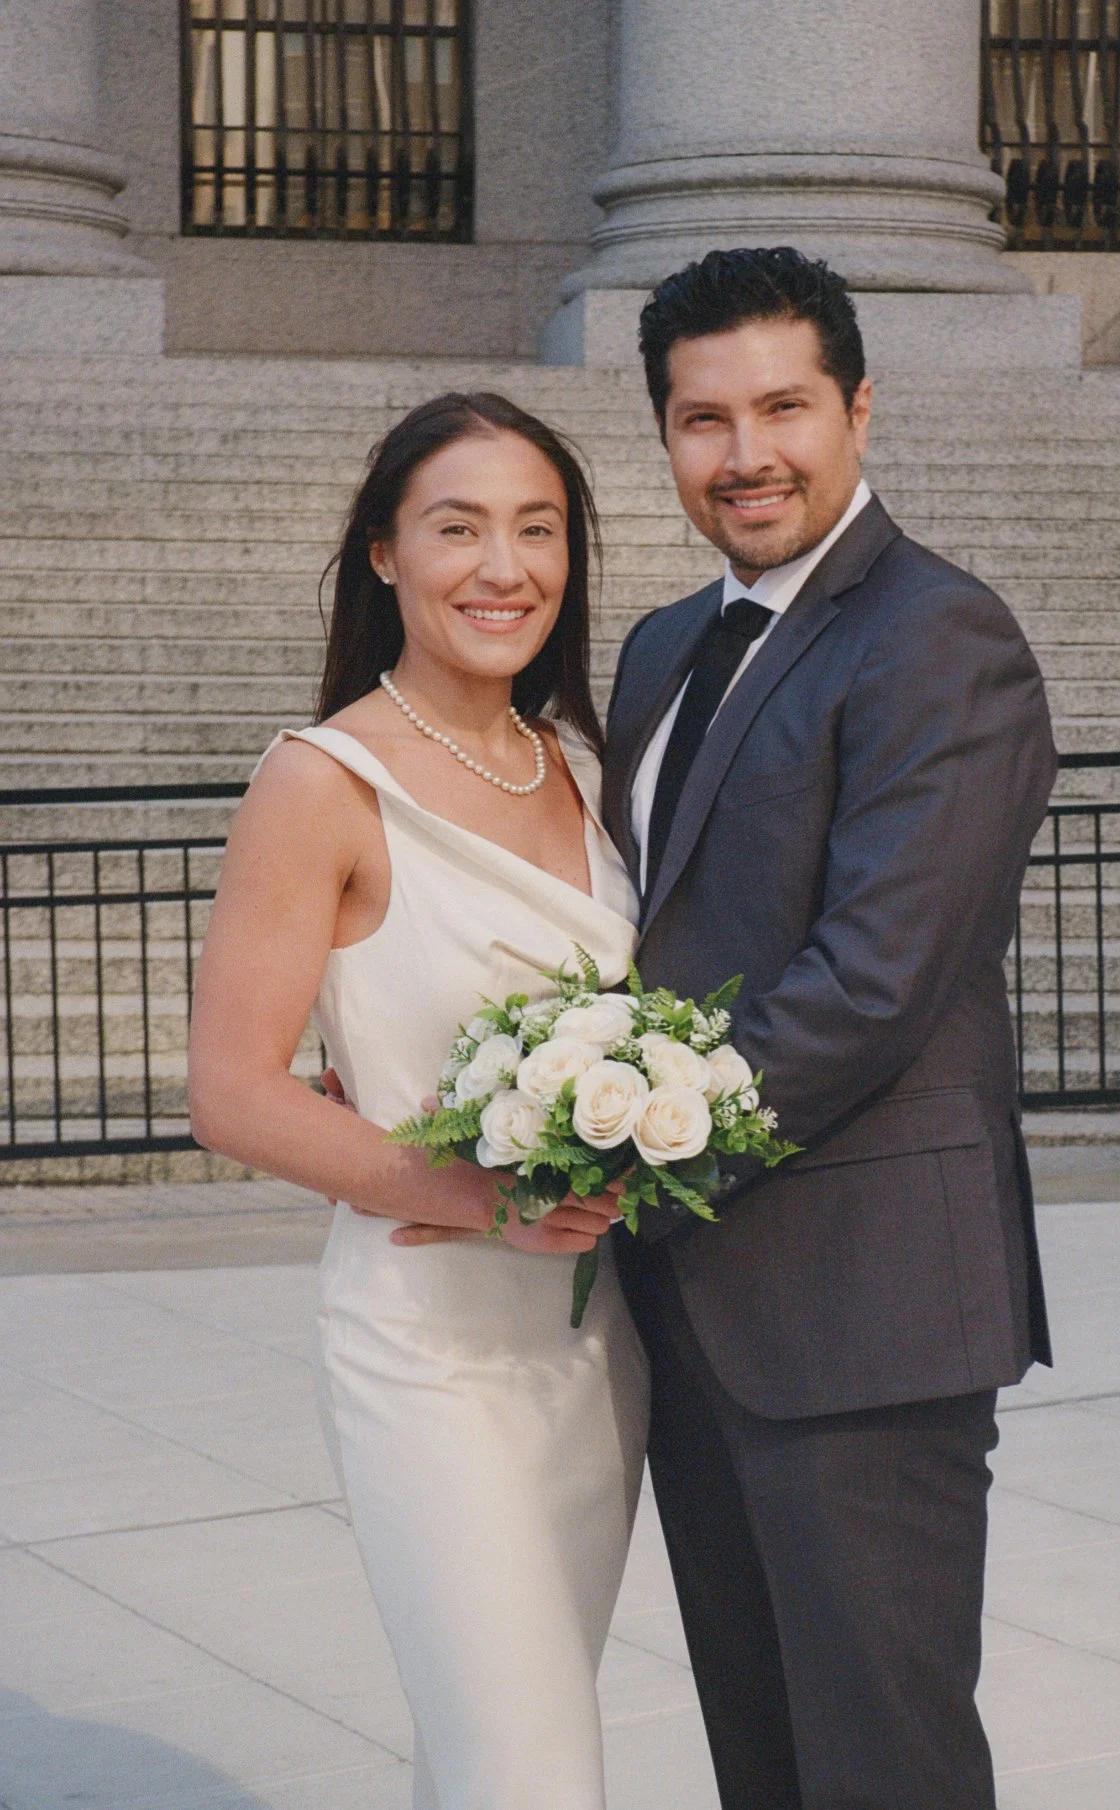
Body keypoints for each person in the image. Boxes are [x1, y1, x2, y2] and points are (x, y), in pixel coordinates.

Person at [599, 248, 1057, 1810]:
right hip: (693, 1305)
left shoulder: (939, 636)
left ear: (859, 407)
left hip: (866, 1309)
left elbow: (875, 981)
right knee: (766, 1752)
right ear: (664, 436)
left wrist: (629, 1142)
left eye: (784, 406)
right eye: (702, 419)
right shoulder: (664, 646)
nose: (746, 456)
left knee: (886, 1763)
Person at [187, 392, 649, 1810]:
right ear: (385, 552)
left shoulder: (585, 767)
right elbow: (234, 1092)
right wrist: (481, 1195)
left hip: (596, 1348)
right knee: (534, 1774)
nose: (502, 566)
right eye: (457, 528)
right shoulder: (322, 781)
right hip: (427, 1347)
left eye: (537, 528)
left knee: (492, 1754)